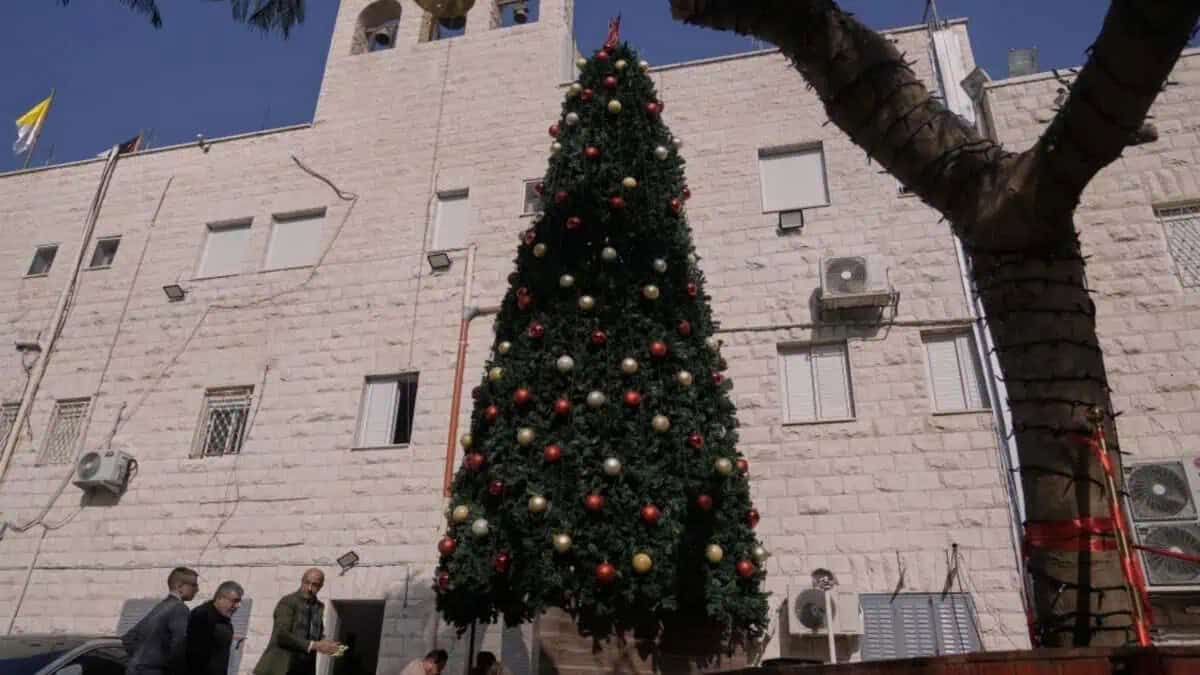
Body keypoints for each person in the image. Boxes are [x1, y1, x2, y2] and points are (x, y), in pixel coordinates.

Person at [253, 568, 340, 675]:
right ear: (302, 581)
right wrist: (315, 645)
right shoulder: (288, 602)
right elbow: (282, 635)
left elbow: (316, 635)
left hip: (303, 668)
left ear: (320, 586)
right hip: (280, 668)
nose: (309, 588)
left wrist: (328, 645)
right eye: (307, 582)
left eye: (315, 585)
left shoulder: (318, 607)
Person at [123, 566, 199, 675]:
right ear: (180, 586)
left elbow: (128, 639)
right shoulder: (179, 609)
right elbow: (179, 647)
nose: (197, 589)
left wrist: (143, 660)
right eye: (194, 585)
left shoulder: (161, 606)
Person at [185, 580, 243, 675]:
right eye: (235, 601)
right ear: (220, 598)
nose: (238, 606)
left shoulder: (224, 620)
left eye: (239, 602)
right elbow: (193, 655)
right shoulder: (202, 616)